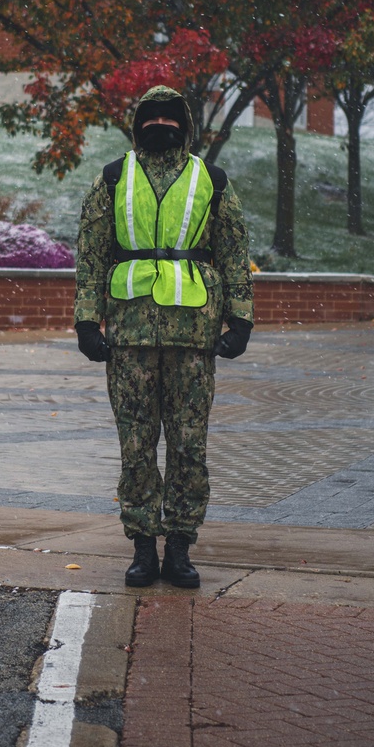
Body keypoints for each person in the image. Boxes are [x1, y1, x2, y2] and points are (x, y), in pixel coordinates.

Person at [74, 84, 254, 589]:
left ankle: (179, 547)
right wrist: (87, 322)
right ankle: (142, 549)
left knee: (188, 445)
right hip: (129, 336)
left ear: (184, 124)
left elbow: (235, 252)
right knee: (136, 445)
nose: (160, 125)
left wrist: (240, 320)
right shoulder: (112, 179)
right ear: (137, 124)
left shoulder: (211, 180)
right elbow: (90, 254)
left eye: (169, 118)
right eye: (150, 118)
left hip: (193, 337)